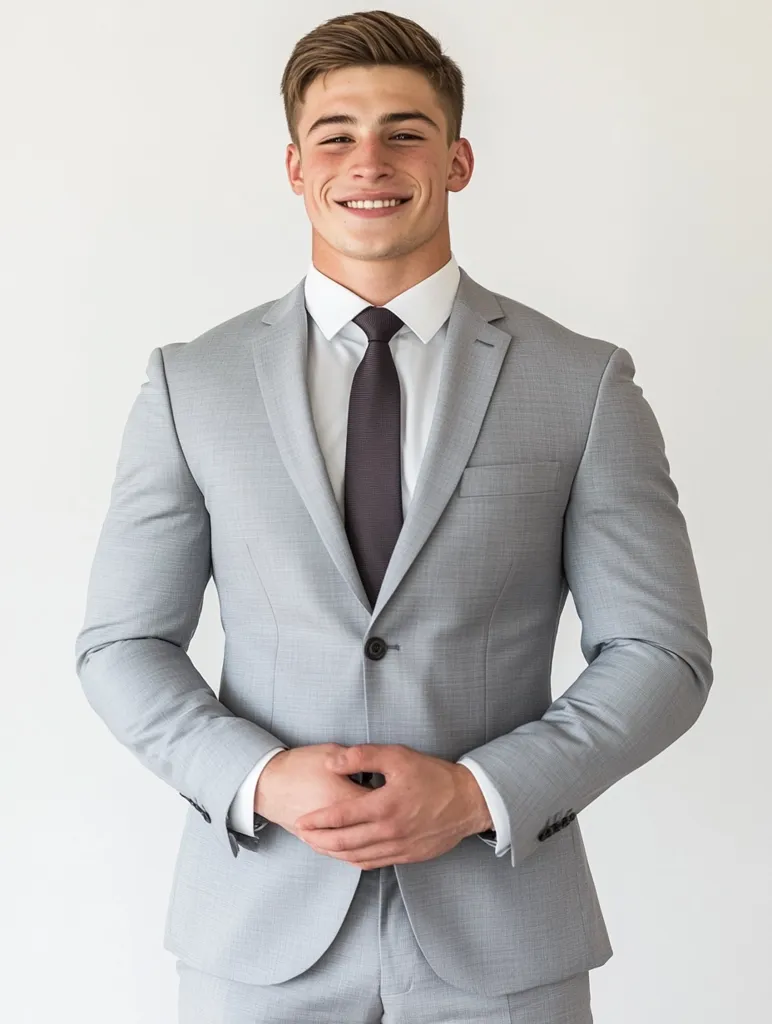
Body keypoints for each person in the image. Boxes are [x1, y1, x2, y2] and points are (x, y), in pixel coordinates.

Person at [74, 9, 713, 1023]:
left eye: (405, 130)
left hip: (503, 932)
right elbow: (122, 644)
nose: (369, 158)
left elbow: (659, 653)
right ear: (295, 166)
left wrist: (476, 794)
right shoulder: (191, 384)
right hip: (255, 928)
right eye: (336, 134)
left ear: (456, 161)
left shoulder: (582, 383)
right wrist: (262, 779)